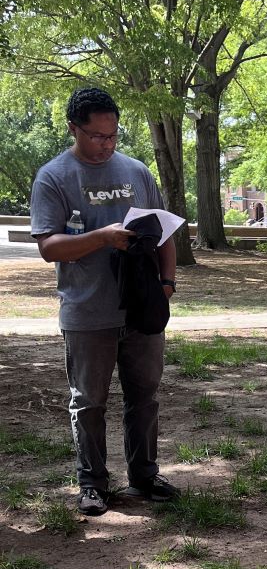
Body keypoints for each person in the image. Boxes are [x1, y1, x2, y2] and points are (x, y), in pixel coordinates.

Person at [30, 87, 179, 516]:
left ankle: (145, 476)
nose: (106, 144)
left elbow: (164, 233)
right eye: (97, 136)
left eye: (113, 136)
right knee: (89, 400)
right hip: (86, 311)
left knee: (145, 395)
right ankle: (92, 482)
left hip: (141, 306)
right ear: (74, 128)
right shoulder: (54, 177)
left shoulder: (136, 172)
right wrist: (101, 238)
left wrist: (166, 283)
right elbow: (49, 246)